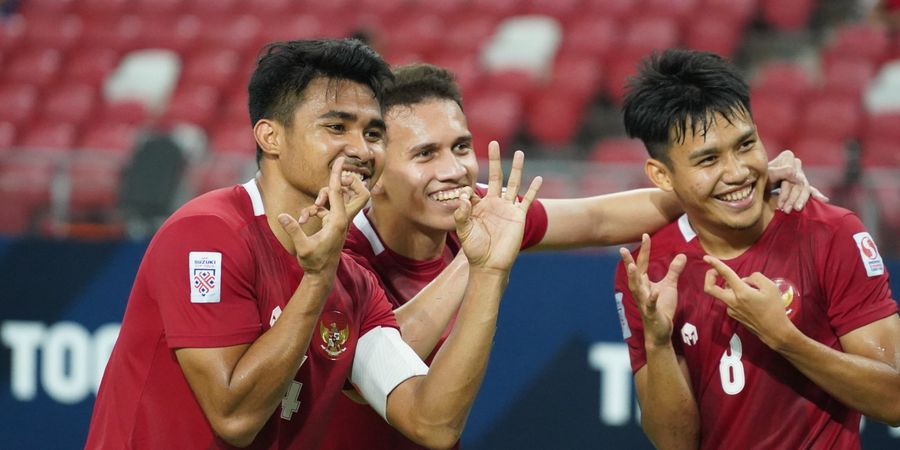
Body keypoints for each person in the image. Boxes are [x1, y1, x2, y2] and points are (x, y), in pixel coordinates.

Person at [321, 63, 826, 450]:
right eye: (426, 154)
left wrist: (732, 184)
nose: (454, 170)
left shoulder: (477, 208)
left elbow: (598, 220)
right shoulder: (339, 244)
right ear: (375, 173)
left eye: (461, 146)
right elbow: (371, 368)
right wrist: (476, 261)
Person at [85, 38, 543, 449]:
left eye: (373, 133)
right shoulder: (206, 234)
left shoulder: (354, 283)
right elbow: (235, 417)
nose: (362, 150)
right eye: (336, 127)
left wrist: (484, 271)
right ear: (271, 136)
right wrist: (318, 278)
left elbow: (431, 423)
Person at [615, 48, 900, 449]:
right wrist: (658, 344)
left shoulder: (831, 233)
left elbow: (894, 399)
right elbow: (674, 443)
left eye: (746, 145)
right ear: (662, 175)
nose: (738, 172)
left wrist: (783, 338)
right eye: (709, 159)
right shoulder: (652, 272)